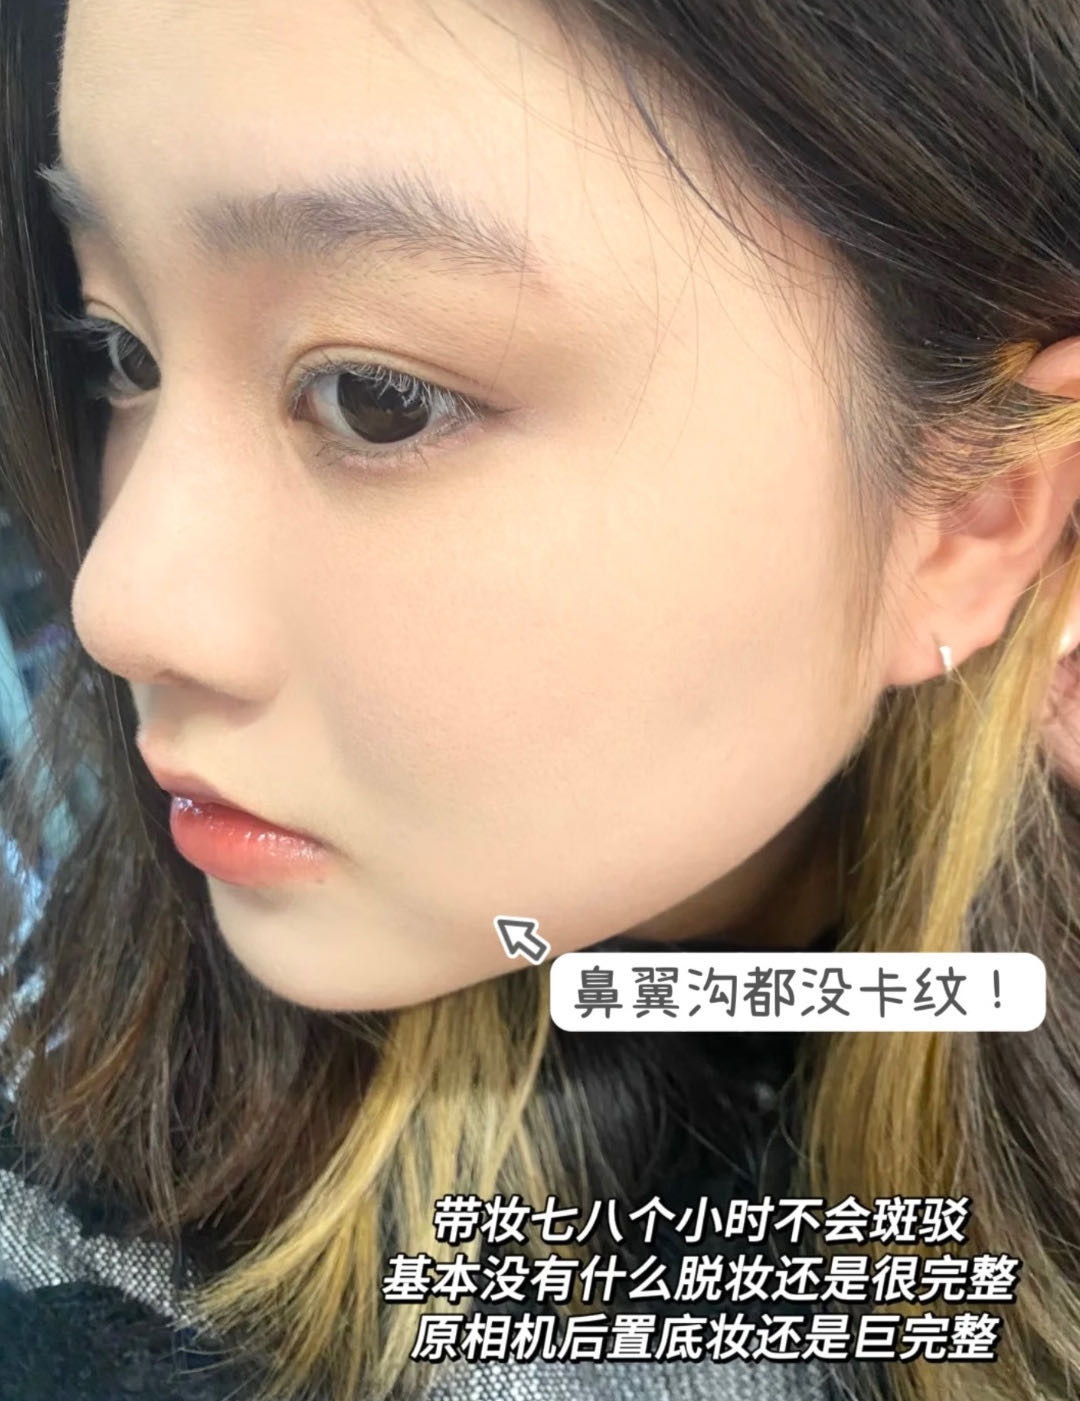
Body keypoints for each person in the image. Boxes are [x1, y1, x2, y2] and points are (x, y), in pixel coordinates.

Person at [2, 0, 1080, 1398]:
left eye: (378, 397)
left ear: (972, 518)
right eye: (123, 353)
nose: (117, 605)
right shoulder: (93, 1263)